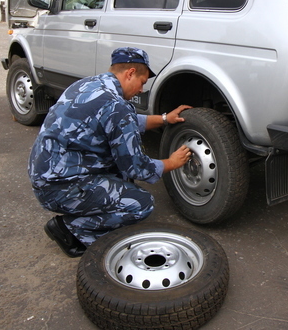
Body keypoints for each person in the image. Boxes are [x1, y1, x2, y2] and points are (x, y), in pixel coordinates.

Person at [28, 47, 192, 257]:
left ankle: (87, 207)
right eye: (142, 82)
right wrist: (171, 162)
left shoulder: (87, 85)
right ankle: (72, 229)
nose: (142, 89)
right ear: (130, 73)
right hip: (59, 188)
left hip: (46, 175)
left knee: (120, 173)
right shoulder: (116, 106)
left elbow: (124, 122)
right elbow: (137, 168)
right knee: (140, 204)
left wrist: (164, 119)